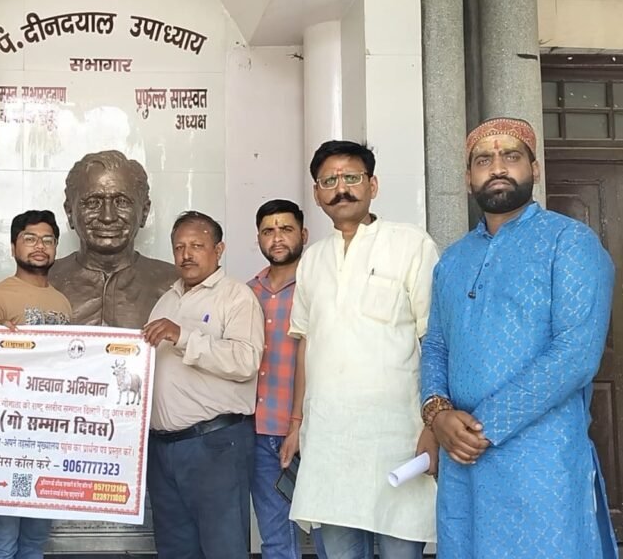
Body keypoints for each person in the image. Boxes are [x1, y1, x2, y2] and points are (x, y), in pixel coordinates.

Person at [421, 117, 618, 558]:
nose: (497, 167)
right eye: (483, 160)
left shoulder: (570, 242)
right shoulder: (453, 260)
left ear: (535, 168)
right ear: (468, 177)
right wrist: (437, 413)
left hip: (541, 460)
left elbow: (576, 354)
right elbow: (435, 344)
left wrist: (480, 427)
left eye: (511, 156)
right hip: (463, 464)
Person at [281, 141, 438, 558]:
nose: (341, 189)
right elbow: (306, 343)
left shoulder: (411, 244)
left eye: (351, 177)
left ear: (373, 185)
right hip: (329, 440)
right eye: (328, 181)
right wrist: (297, 424)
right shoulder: (313, 260)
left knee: (400, 547)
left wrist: (434, 422)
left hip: (398, 437)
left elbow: (435, 339)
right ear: (317, 194)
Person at [144, 210, 264, 559]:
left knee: (223, 548)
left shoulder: (236, 296)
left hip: (214, 445)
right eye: (179, 247)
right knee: (175, 549)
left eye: (197, 245)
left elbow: (246, 361)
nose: (187, 254)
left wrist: (183, 336)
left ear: (219, 249)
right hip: (163, 449)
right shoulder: (167, 300)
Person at [0, 209, 73, 559]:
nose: (39, 246)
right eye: (30, 238)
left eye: (48, 240)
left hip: (49, 437)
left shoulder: (62, 302)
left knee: (34, 540)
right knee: (3, 541)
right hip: (7, 438)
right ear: (13, 245)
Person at [247, 199, 321, 559]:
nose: (277, 238)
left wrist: (299, 423)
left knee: (329, 534)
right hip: (259, 432)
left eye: (286, 229)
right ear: (259, 238)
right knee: (276, 539)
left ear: (303, 235)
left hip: (313, 431)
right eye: (268, 231)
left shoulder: (319, 286)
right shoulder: (247, 292)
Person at [50, 150, 177, 328]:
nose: (108, 217)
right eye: (93, 202)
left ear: (144, 211)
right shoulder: (42, 281)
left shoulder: (175, 286)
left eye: (122, 202)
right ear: (70, 212)